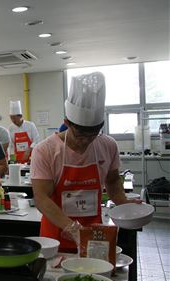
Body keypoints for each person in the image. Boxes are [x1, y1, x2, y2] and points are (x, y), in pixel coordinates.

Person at [31, 72, 141, 253]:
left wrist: (125, 203)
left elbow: (112, 181)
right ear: (67, 123)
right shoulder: (46, 150)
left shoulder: (107, 145)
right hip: (55, 238)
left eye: (93, 134)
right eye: (81, 134)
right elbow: (42, 198)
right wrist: (73, 229)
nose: (86, 141)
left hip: (94, 233)